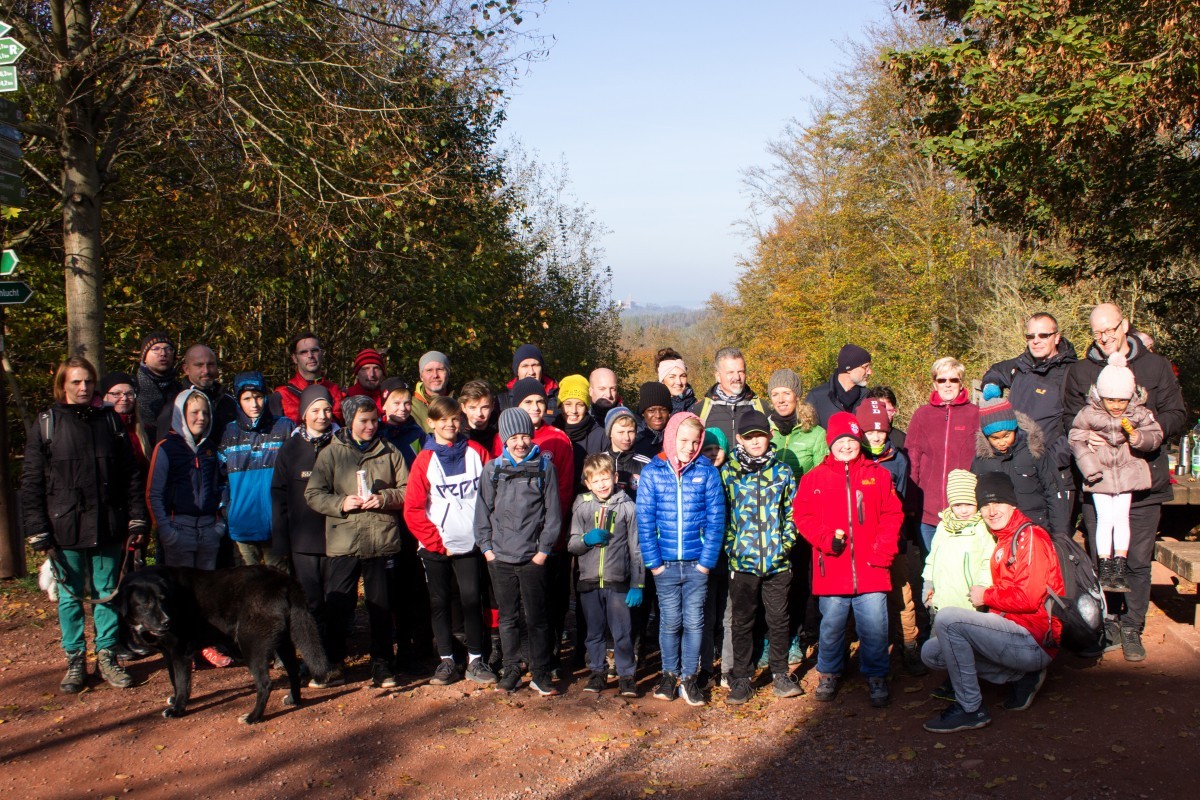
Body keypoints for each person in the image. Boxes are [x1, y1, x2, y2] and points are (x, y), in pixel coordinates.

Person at [1062, 303, 1186, 661]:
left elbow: (1177, 413)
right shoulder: (1081, 371)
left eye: (1110, 330)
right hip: (1099, 479)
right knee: (1102, 554)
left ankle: (1132, 626)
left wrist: (1148, 434)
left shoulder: (1155, 366)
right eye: (1097, 333)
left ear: (1125, 325)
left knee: (1137, 557)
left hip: (1144, 478)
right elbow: (1069, 418)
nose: (1104, 338)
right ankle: (1109, 622)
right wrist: (1087, 440)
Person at [21, 357, 148, 693]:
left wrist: (137, 516)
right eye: (76, 382)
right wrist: (36, 527)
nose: (82, 388)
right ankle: (76, 658)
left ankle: (107, 655)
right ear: (63, 385)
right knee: (69, 597)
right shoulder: (47, 423)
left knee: (107, 593)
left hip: (108, 524)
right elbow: (32, 480)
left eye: (88, 382)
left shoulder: (110, 422)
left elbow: (130, 475)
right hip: (64, 528)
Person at [920, 472, 1063, 733]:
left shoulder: (1029, 537)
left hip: (1034, 638)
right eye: (985, 504)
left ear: (1012, 503)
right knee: (932, 652)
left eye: (997, 502)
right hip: (1010, 631)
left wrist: (985, 597)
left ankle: (970, 708)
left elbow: (1029, 598)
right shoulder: (1004, 538)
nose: (991, 510)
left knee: (948, 620)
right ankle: (1020, 676)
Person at [793, 412, 903, 709]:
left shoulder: (878, 475)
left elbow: (893, 515)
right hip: (832, 567)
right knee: (831, 626)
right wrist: (825, 539)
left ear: (859, 441)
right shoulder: (813, 478)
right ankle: (828, 672)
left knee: (875, 626)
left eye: (851, 440)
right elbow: (802, 516)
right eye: (840, 440)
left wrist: (883, 552)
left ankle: (877, 675)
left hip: (872, 567)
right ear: (830, 443)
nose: (846, 445)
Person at [305, 395, 409, 688]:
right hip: (345, 539)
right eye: (364, 421)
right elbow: (313, 494)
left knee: (380, 605)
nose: (370, 426)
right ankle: (333, 664)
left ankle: (383, 665)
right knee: (339, 603)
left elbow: (407, 488)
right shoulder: (331, 453)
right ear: (350, 421)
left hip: (381, 538)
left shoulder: (390, 451)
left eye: (374, 420)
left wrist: (385, 498)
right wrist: (341, 503)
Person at [404, 396, 497, 686]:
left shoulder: (476, 452)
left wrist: (485, 536)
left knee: (471, 600)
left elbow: (492, 495)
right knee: (440, 602)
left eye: (455, 418)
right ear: (431, 423)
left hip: (471, 544)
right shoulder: (424, 460)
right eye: (442, 419)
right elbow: (413, 508)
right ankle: (446, 660)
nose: (449, 424)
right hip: (436, 546)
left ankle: (475, 660)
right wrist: (434, 541)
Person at [637, 411, 725, 707]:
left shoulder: (707, 472)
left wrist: (705, 562)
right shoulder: (653, 471)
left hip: (696, 563)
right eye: (684, 440)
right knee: (670, 621)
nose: (689, 447)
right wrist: (655, 564)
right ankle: (669, 674)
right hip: (665, 565)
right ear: (671, 436)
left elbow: (716, 521)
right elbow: (645, 521)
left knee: (694, 621)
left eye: (695, 441)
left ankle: (689, 677)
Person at [475, 407, 562, 696]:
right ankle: (512, 668)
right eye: (514, 437)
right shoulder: (493, 470)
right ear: (504, 438)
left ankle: (539, 671)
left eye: (525, 435)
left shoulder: (544, 467)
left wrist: (543, 551)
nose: (520, 442)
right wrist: (487, 549)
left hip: (532, 558)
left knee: (537, 617)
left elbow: (553, 514)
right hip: (499, 558)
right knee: (508, 618)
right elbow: (483, 512)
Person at [721, 410, 803, 704]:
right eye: (750, 436)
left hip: (778, 562)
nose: (756, 441)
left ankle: (780, 673)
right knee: (742, 621)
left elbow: (792, 512)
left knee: (779, 619)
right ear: (740, 439)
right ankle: (741, 678)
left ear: (769, 437)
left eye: (761, 435)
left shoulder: (782, 472)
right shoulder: (729, 473)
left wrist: (786, 543)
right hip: (742, 563)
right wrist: (732, 546)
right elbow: (724, 514)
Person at [1069, 352, 1163, 592]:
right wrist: (1090, 467)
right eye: (1111, 400)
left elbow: (1156, 435)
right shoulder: (1089, 413)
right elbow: (1076, 440)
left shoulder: (1138, 413)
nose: (1116, 406)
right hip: (1099, 473)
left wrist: (1138, 438)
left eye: (1121, 401)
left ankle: (1120, 564)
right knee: (1104, 519)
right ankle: (1105, 564)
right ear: (1101, 395)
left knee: (1121, 518)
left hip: (1126, 473)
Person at [271, 385, 342, 684]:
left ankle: (334, 658)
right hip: (303, 539)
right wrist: (281, 540)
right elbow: (279, 494)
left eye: (326, 409)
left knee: (336, 600)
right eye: (315, 410)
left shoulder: (342, 442)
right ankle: (314, 659)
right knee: (311, 602)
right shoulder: (290, 448)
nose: (322, 415)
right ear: (303, 414)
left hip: (338, 535)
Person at [511, 376, 575, 669]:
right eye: (528, 402)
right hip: (518, 539)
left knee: (554, 598)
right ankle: (524, 655)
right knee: (524, 600)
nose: (535, 407)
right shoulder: (508, 439)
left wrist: (551, 531)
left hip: (552, 538)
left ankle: (549, 654)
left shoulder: (558, 438)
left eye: (539, 401)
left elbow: (563, 490)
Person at [857, 399, 924, 677]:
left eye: (881, 431)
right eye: (870, 431)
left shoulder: (897, 459)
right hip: (862, 542)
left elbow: (902, 498)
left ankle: (909, 645)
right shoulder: (853, 457)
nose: (875, 436)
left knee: (902, 595)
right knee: (866, 599)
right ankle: (869, 649)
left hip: (892, 540)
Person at [568, 453, 643, 697]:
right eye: (595, 480)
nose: (601, 484)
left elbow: (636, 548)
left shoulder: (628, 506)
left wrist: (638, 583)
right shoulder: (581, 504)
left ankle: (627, 675)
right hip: (589, 580)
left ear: (615, 477)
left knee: (622, 631)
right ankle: (597, 672)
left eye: (605, 478)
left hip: (618, 581)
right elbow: (572, 544)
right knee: (594, 632)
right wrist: (586, 540)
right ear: (588, 483)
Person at [920, 470, 994, 701]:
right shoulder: (944, 526)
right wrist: (928, 583)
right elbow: (932, 557)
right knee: (943, 645)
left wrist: (983, 586)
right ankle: (953, 680)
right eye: (958, 504)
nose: (963, 510)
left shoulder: (983, 528)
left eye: (969, 504)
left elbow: (987, 561)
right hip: (943, 598)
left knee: (966, 646)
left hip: (968, 602)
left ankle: (965, 685)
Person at [982, 312, 1078, 469]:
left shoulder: (1071, 372)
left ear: (1057, 337)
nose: (1036, 341)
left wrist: (1052, 460)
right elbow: (997, 371)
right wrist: (991, 385)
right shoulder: (1021, 365)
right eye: (1031, 336)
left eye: (1043, 335)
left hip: (1051, 467)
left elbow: (1077, 426)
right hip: (1014, 463)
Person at [219, 371, 295, 569]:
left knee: (277, 588)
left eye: (258, 397)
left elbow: (297, 473)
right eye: (247, 398)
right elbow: (219, 477)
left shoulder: (284, 427)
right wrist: (227, 510)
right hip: (241, 528)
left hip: (277, 527)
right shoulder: (229, 432)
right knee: (245, 590)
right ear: (238, 400)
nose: (254, 404)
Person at [907, 357, 980, 552]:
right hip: (928, 511)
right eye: (942, 380)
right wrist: (912, 501)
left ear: (961, 383)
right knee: (930, 570)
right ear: (934, 383)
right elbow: (912, 459)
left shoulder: (975, 414)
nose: (948, 385)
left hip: (963, 509)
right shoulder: (922, 415)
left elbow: (983, 459)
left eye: (953, 380)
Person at [972, 396, 1070, 538]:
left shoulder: (1034, 451)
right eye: (995, 438)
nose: (1001, 442)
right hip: (999, 535)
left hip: (1036, 530)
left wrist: (1060, 535)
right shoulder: (982, 460)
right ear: (987, 437)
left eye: (1006, 435)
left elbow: (1053, 491)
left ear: (1014, 429)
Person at [147, 388, 221, 569]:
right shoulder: (166, 448)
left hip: (209, 529)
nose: (201, 418)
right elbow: (153, 493)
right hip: (179, 529)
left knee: (206, 592)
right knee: (180, 590)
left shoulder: (211, 448)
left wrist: (219, 526)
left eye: (205, 412)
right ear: (181, 415)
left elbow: (220, 486)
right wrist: (165, 530)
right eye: (194, 413)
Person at [154, 344, 238, 443]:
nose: (206, 371)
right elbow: (165, 449)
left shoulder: (228, 400)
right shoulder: (176, 407)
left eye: (211, 364)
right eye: (199, 365)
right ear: (186, 369)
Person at [697, 347, 766, 446]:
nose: (737, 377)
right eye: (730, 372)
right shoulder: (701, 410)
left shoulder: (762, 407)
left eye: (740, 372)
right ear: (718, 376)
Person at [273, 331, 345, 425]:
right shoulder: (282, 396)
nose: (310, 356)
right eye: (304, 352)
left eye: (314, 351)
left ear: (322, 354)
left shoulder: (335, 392)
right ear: (294, 358)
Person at [767, 369, 828, 479]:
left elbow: (822, 478)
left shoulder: (816, 434)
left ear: (797, 396)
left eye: (786, 393)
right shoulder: (764, 430)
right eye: (775, 394)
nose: (780, 400)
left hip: (803, 495)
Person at [553, 374, 606, 491]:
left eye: (580, 405)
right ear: (560, 405)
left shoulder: (601, 436)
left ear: (587, 407)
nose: (574, 411)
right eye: (568, 404)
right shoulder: (552, 434)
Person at [804, 344, 871, 427]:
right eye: (865, 367)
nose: (869, 372)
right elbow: (807, 432)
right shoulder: (817, 397)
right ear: (849, 369)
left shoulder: (869, 398)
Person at [135, 331, 182, 443]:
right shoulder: (132, 388)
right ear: (144, 357)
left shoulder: (180, 390)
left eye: (168, 349)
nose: (163, 353)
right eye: (156, 349)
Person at [100, 372, 151, 475]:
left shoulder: (147, 431)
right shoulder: (99, 431)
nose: (124, 398)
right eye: (116, 394)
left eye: (129, 393)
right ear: (105, 396)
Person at [499, 344, 559, 420]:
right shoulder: (503, 401)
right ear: (517, 370)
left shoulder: (558, 397)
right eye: (525, 366)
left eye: (535, 365)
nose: (531, 372)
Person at [603, 407, 651, 498]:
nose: (627, 438)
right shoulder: (598, 463)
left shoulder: (646, 464)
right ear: (610, 433)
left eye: (631, 432)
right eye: (620, 432)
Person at [379, 378, 423, 468]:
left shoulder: (417, 433)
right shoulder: (377, 433)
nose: (403, 408)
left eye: (407, 403)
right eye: (396, 403)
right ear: (384, 405)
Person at [411, 350, 452, 431]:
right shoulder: (409, 407)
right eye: (429, 370)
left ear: (448, 373)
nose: (435, 375)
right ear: (421, 376)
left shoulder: (461, 404)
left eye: (440, 369)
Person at [460, 379, 501, 456]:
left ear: (492, 406)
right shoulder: (456, 434)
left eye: (484, 407)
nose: (479, 413)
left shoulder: (502, 431)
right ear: (463, 408)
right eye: (472, 408)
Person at [633, 381, 672, 458]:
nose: (658, 415)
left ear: (669, 412)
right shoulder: (633, 440)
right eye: (651, 410)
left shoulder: (678, 438)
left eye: (663, 410)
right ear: (643, 412)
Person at [345, 348, 387, 414]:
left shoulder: (390, 398)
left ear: (383, 372)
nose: (372, 374)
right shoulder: (346, 397)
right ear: (357, 373)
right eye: (365, 369)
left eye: (376, 368)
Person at [656, 348, 696, 413]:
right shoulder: (651, 409)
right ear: (662, 380)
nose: (679, 382)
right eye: (672, 377)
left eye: (682, 376)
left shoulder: (697, 407)